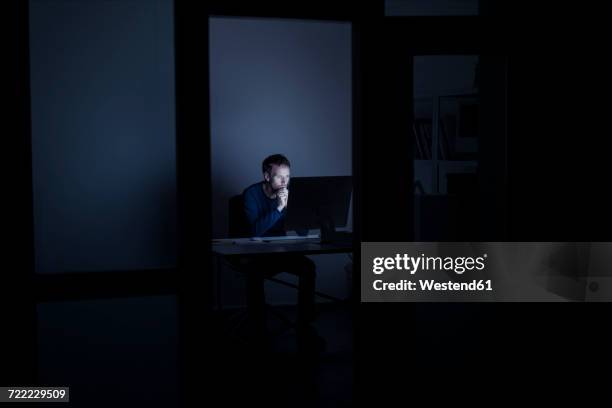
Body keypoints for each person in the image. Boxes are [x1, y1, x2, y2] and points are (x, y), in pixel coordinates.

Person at [238, 154, 323, 353]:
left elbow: (302, 231)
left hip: (280, 251)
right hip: (256, 254)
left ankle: (305, 321)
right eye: (279, 177)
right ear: (267, 177)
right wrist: (278, 208)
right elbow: (255, 231)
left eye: (288, 176)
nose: (285, 182)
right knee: (255, 274)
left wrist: (301, 212)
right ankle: (258, 326)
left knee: (308, 267)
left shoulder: (289, 193)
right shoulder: (251, 194)